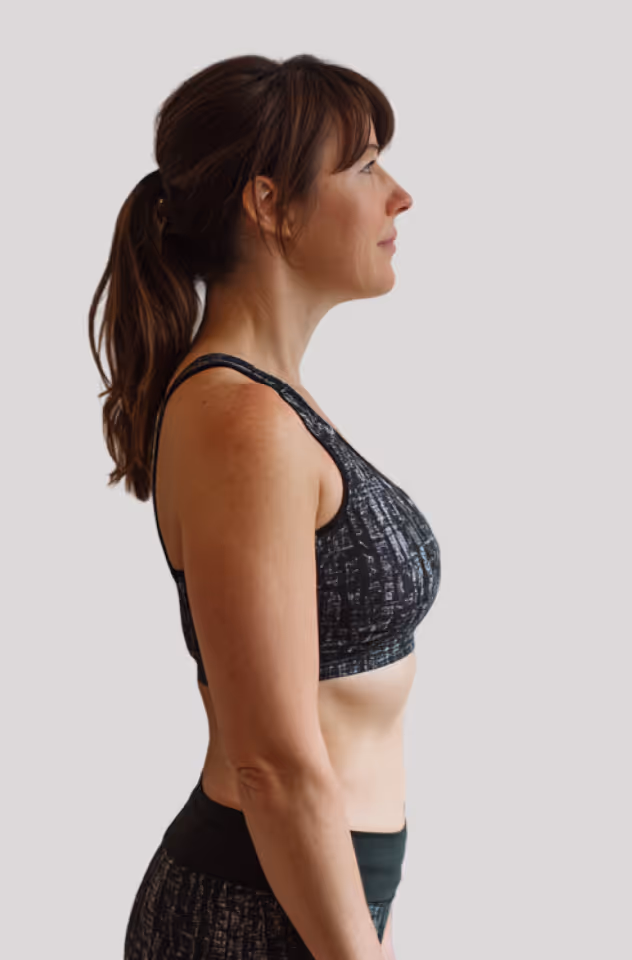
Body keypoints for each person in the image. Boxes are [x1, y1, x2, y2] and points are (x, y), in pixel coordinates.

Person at [88, 53, 441, 960]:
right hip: (252, 917)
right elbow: (274, 764)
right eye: (365, 167)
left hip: (316, 904)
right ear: (270, 204)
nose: (399, 196)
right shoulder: (241, 421)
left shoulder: (273, 405)